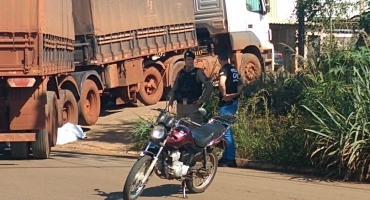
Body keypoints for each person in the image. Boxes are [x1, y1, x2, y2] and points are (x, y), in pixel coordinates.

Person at [168, 50, 213, 124]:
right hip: (180, 109)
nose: (190, 61)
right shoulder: (180, 73)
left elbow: (209, 86)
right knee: (181, 132)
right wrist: (170, 103)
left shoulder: (198, 72)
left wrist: (202, 99)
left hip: (192, 108)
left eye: (192, 59)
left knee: (193, 132)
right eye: (188, 59)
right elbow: (174, 89)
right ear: (184, 60)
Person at [217, 49, 244, 168]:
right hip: (234, 102)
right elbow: (241, 83)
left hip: (226, 104)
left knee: (225, 131)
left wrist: (225, 96)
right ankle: (227, 156)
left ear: (219, 59)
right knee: (226, 130)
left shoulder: (224, 70)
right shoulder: (233, 69)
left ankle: (229, 158)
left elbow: (221, 83)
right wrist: (236, 94)